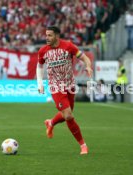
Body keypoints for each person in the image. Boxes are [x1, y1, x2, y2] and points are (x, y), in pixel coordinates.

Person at [36, 26, 93, 155]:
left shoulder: (68, 46)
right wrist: (40, 83)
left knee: (67, 114)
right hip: (56, 86)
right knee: (68, 115)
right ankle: (83, 145)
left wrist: (88, 66)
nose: (47, 38)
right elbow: (39, 66)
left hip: (70, 84)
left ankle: (51, 122)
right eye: (46, 35)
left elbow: (84, 58)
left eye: (50, 35)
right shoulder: (43, 50)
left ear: (57, 36)